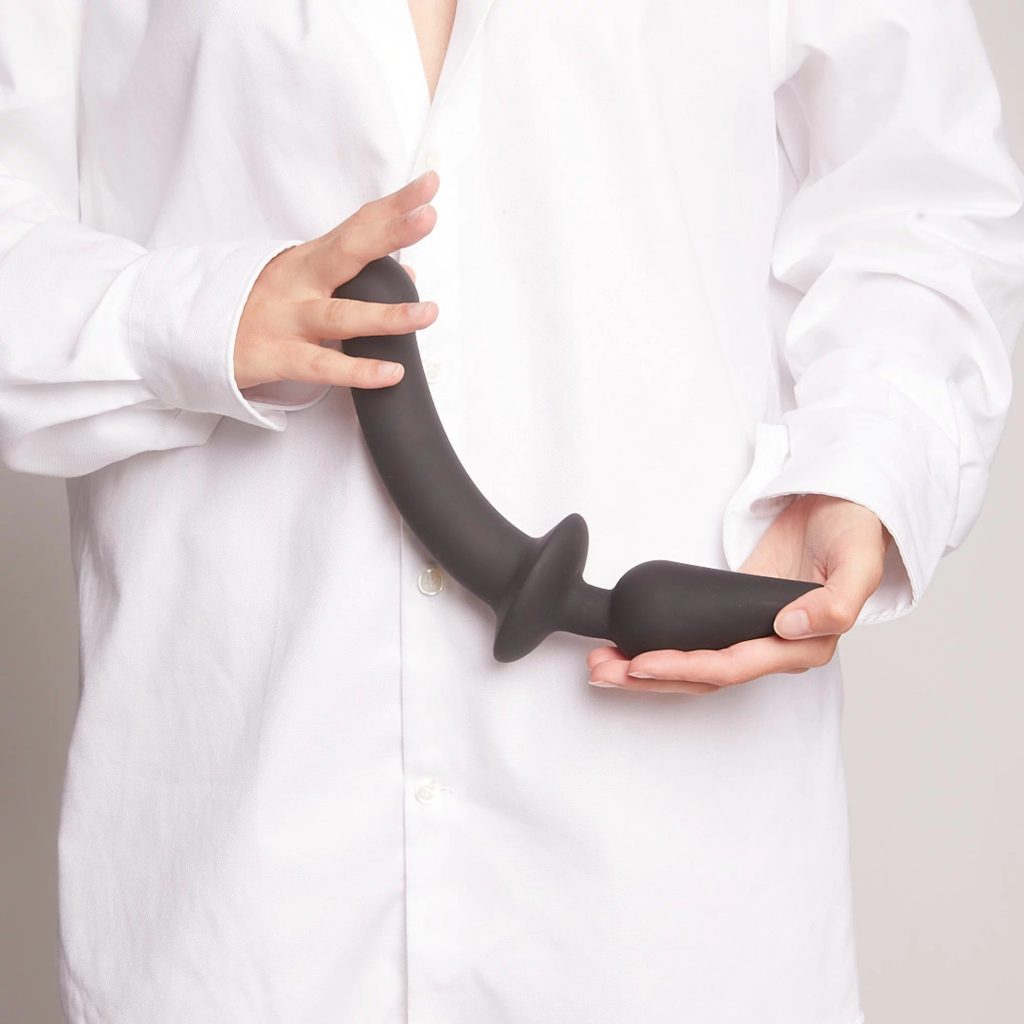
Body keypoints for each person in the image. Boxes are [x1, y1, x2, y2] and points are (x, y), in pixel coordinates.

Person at [1, 1, 1022, 1021]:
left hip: (669, 888)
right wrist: (191, 319)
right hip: (243, 879)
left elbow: (920, 199)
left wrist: (862, 470)